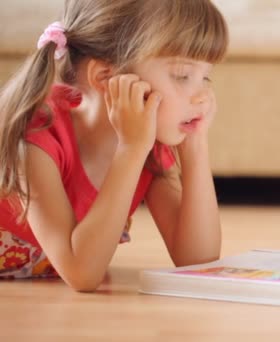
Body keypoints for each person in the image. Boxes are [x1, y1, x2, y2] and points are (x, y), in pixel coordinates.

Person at [0, 0, 228, 291]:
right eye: (182, 76)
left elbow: (198, 259)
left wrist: (195, 146)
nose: (201, 95)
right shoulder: (38, 133)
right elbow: (82, 274)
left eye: (205, 77)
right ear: (106, 78)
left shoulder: (149, 148)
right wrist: (130, 150)